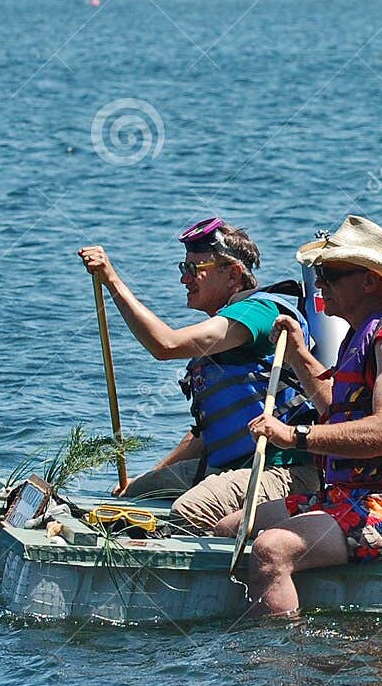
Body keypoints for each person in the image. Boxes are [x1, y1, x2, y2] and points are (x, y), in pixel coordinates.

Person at [215, 216, 382, 618]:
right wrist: (296, 353)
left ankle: (275, 665)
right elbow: (339, 408)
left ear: (370, 281)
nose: (320, 284)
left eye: (331, 274)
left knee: (271, 549)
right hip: (352, 496)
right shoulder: (364, 332)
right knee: (231, 528)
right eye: (319, 274)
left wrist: (295, 436)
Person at [77, 218, 318, 533]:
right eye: (183, 268)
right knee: (138, 496)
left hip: (281, 471)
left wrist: (112, 281)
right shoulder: (224, 331)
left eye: (194, 270)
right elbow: (207, 434)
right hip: (226, 467)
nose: (184, 280)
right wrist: (146, 479)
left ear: (232, 273)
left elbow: (166, 345)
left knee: (190, 510)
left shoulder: (258, 312)